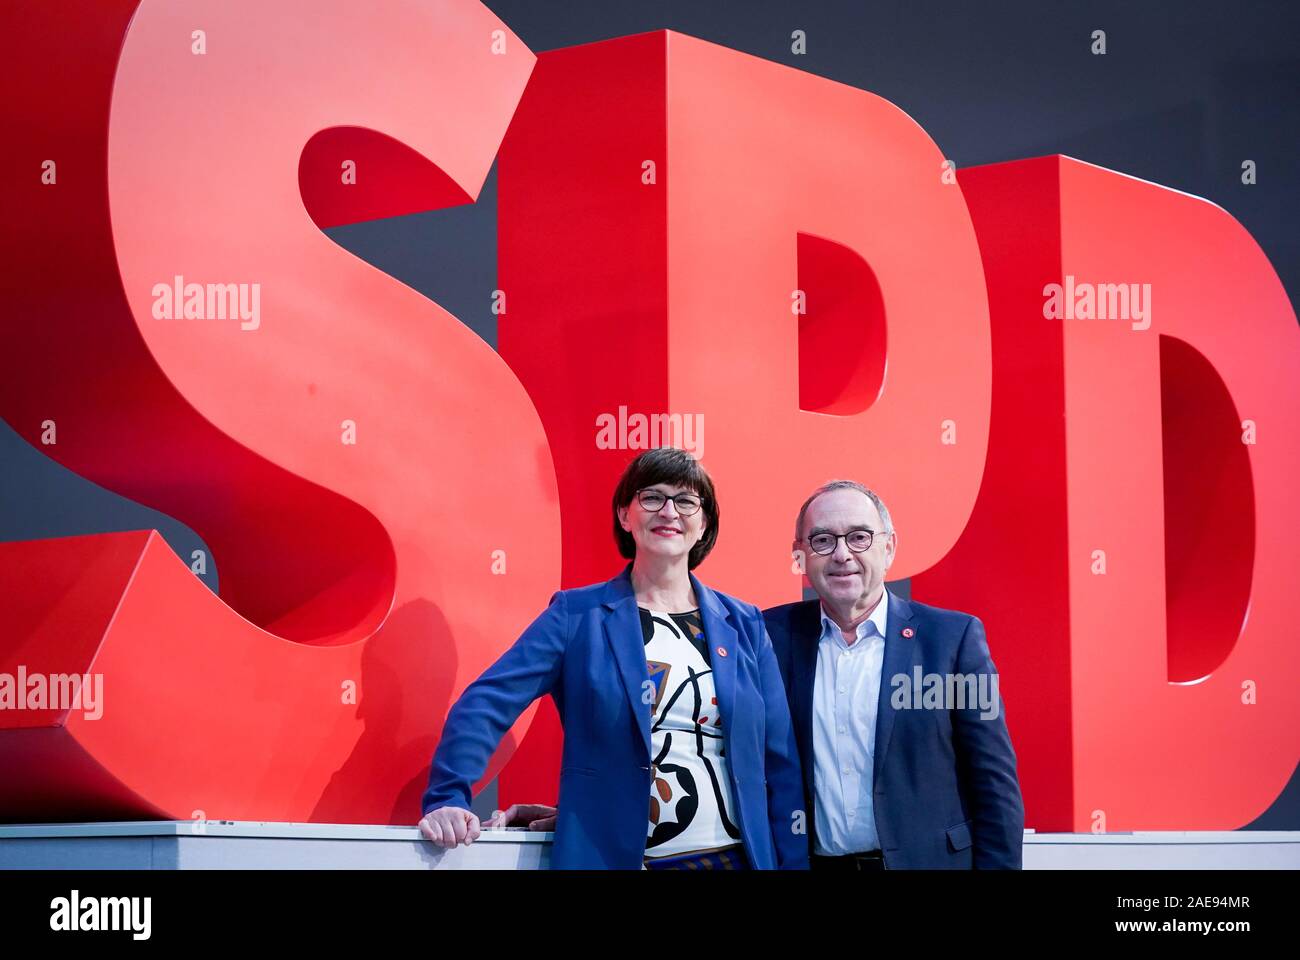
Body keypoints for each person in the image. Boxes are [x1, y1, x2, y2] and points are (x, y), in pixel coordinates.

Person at [417, 447, 808, 870]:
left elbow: (780, 760)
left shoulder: (744, 623)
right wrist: (448, 796)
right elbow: (487, 703)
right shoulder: (576, 616)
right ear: (625, 515)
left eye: (686, 500)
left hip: (736, 862)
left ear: (704, 524)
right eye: (652, 496)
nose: (669, 511)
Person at [764, 479, 1024, 869]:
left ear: (889, 547)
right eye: (822, 541)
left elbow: (993, 781)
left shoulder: (953, 640)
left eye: (859, 537)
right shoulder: (769, 636)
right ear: (799, 555)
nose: (841, 554)